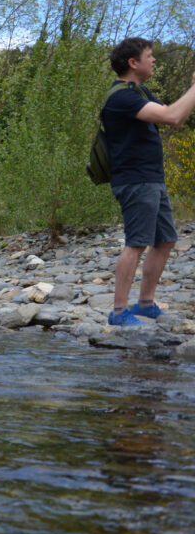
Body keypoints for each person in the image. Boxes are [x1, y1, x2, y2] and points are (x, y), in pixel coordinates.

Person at [103, 38, 195, 326]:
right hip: (136, 180)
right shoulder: (122, 98)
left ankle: (144, 303)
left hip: (151, 179)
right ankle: (119, 312)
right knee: (136, 243)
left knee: (165, 240)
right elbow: (172, 116)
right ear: (133, 63)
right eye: (149, 56)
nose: (154, 60)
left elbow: (177, 118)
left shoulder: (139, 92)